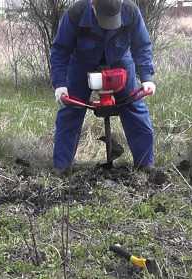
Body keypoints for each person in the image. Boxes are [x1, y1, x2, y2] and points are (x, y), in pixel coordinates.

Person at [50, 0, 157, 174]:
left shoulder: (130, 11)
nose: (109, 27)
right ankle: (61, 167)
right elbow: (60, 50)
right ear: (93, 6)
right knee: (71, 110)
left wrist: (146, 78)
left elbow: (141, 45)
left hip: (120, 60)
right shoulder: (76, 13)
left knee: (133, 107)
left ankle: (145, 165)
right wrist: (60, 84)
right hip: (82, 63)